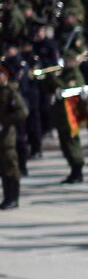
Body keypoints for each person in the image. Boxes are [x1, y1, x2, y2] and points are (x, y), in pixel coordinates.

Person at [0, 61, 30, 210]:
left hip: (7, 136)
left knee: (10, 167)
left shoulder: (11, 91)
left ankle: (13, 198)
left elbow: (23, 112)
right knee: (2, 169)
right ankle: (6, 197)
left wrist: (5, 122)